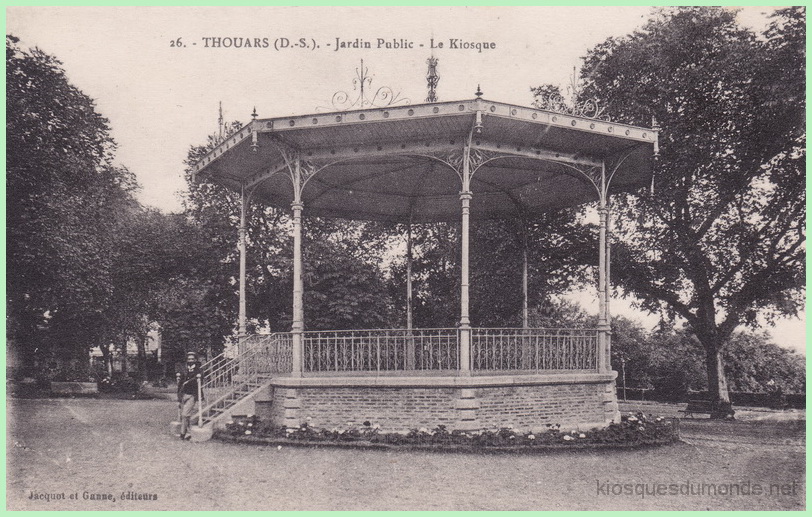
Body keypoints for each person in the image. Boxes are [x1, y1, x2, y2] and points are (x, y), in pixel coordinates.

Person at [176, 351, 203, 440]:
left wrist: (190, 381)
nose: (190, 360)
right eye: (189, 359)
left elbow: (200, 378)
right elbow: (180, 383)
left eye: (192, 359)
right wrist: (179, 396)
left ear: (195, 360)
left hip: (192, 394)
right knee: (185, 415)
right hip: (183, 394)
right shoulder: (184, 369)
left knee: (185, 414)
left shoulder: (198, 370)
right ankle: (188, 433)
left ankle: (183, 433)